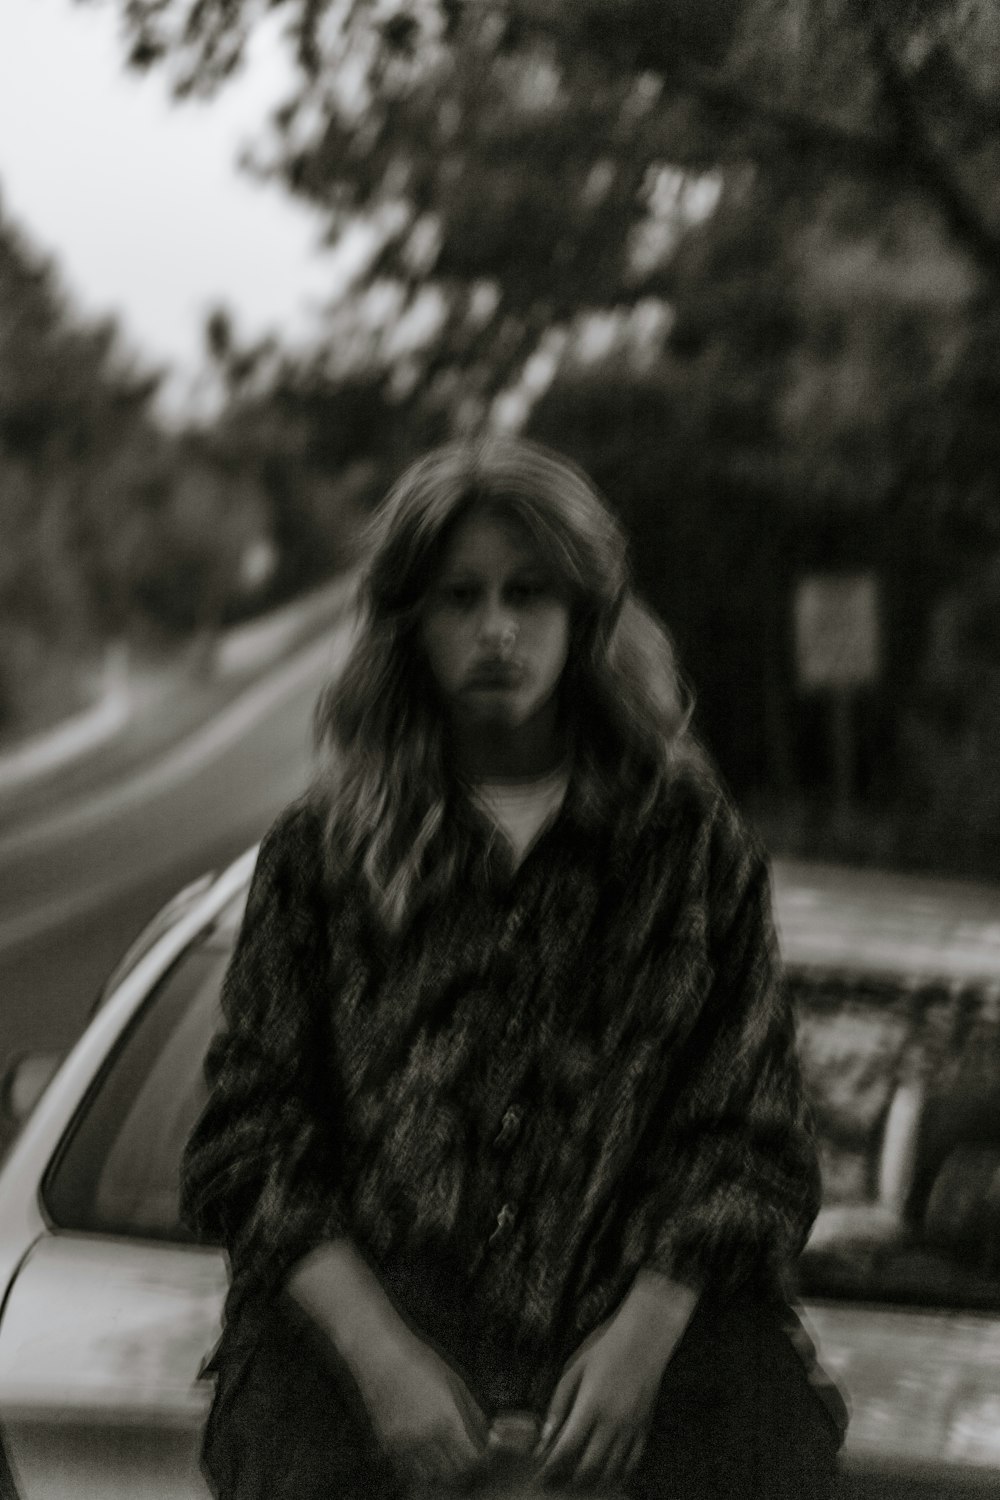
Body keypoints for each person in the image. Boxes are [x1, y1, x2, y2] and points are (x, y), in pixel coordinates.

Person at [180, 436, 847, 1499]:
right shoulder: (319, 856)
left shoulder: (686, 844)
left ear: (584, 614)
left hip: (655, 1378)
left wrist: (643, 1342)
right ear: (410, 623)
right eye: (461, 598)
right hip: (361, 1387)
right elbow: (247, 1140)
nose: (496, 629)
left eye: (529, 594)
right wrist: (382, 1363)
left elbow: (752, 1136)